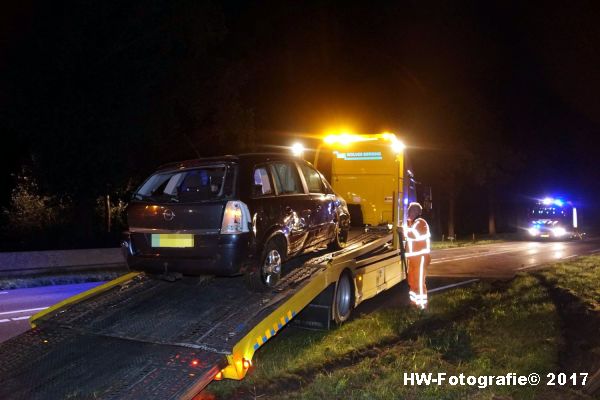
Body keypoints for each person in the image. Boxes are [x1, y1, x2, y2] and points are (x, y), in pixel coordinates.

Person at [404, 202, 431, 309]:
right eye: (408, 211)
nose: (408, 213)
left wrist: (404, 230)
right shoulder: (413, 223)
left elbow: (415, 235)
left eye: (410, 211)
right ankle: (414, 303)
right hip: (414, 258)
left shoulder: (421, 222)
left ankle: (422, 305)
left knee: (419, 281)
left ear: (416, 211)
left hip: (421, 258)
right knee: (412, 281)